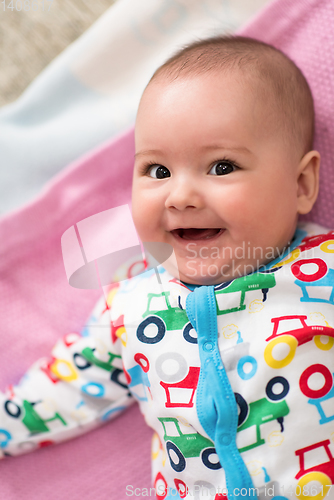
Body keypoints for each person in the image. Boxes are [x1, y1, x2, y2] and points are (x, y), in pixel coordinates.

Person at [1, 36, 334, 500]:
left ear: (301, 184)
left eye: (221, 166)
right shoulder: (130, 306)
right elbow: (69, 389)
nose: (180, 196)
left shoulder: (324, 273)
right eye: (157, 172)